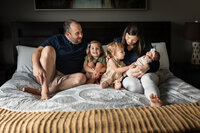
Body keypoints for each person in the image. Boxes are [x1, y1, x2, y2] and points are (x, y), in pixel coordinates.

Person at [22, 19, 87, 100]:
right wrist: (36, 66)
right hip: (49, 76)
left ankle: (42, 91)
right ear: (67, 34)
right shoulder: (57, 39)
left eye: (81, 32)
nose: (81, 35)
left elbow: (94, 58)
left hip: (67, 79)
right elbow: (37, 51)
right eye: (77, 33)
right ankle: (45, 89)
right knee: (48, 49)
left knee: (82, 78)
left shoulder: (84, 45)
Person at [114, 23, 162, 107]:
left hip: (146, 73)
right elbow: (110, 58)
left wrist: (147, 66)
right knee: (132, 84)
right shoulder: (117, 42)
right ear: (125, 33)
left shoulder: (145, 44)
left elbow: (156, 63)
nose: (129, 41)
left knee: (146, 79)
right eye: (128, 37)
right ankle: (149, 91)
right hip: (128, 75)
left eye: (133, 40)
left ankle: (154, 99)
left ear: (139, 39)